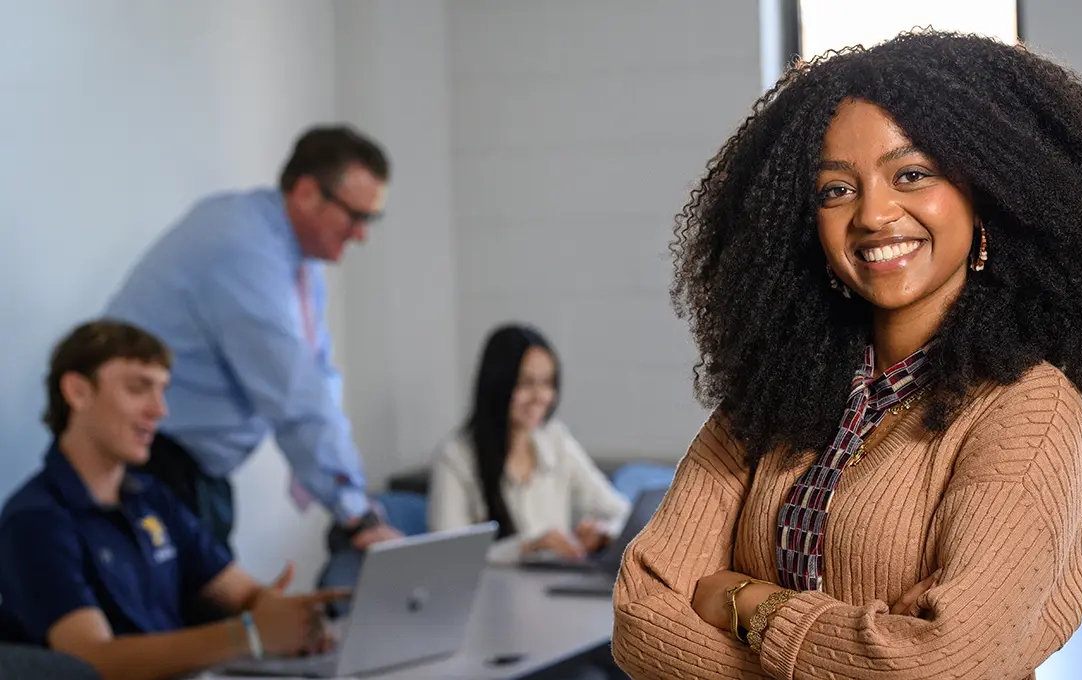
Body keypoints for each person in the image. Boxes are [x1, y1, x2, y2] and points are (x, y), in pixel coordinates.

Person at [612, 31, 1082, 679]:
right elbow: (640, 615)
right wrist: (867, 647)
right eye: (836, 190)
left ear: (988, 196)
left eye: (911, 175)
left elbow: (942, 660)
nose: (874, 215)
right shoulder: (769, 397)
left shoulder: (1029, 406)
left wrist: (751, 604)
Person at [103, 125, 402, 555]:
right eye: (355, 216)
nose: (362, 234)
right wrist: (355, 512)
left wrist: (353, 502)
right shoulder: (243, 250)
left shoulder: (297, 262)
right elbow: (295, 397)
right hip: (152, 460)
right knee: (198, 615)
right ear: (306, 192)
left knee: (225, 606)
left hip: (191, 468)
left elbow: (318, 380)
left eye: (370, 220)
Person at [0, 320, 349, 680]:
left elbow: (240, 592)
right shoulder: (34, 520)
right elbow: (90, 661)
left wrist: (283, 614)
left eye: (162, 390)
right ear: (77, 391)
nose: (160, 410)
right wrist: (248, 634)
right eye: (138, 389)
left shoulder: (151, 497)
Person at [429, 324, 631, 565]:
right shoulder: (455, 457)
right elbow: (448, 556)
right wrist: (526, 547)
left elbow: (621, 512)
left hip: (552, 589)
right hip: (495, 595)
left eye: (547, 383)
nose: (540, 396)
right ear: (498, 385)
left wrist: (603, 533)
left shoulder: (556, 439)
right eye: (526, 383)